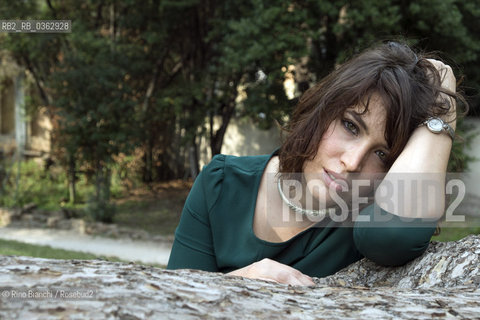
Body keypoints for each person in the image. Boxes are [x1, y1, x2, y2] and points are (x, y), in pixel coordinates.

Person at [167, 41, 464, 286]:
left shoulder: (368, 217)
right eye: (350, 126)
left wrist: (443, 113)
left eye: (382, 154)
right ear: (323, 108)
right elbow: (171, 302)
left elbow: (392, 235)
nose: (352, 162)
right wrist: (240, 283)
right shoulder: (221, 183)